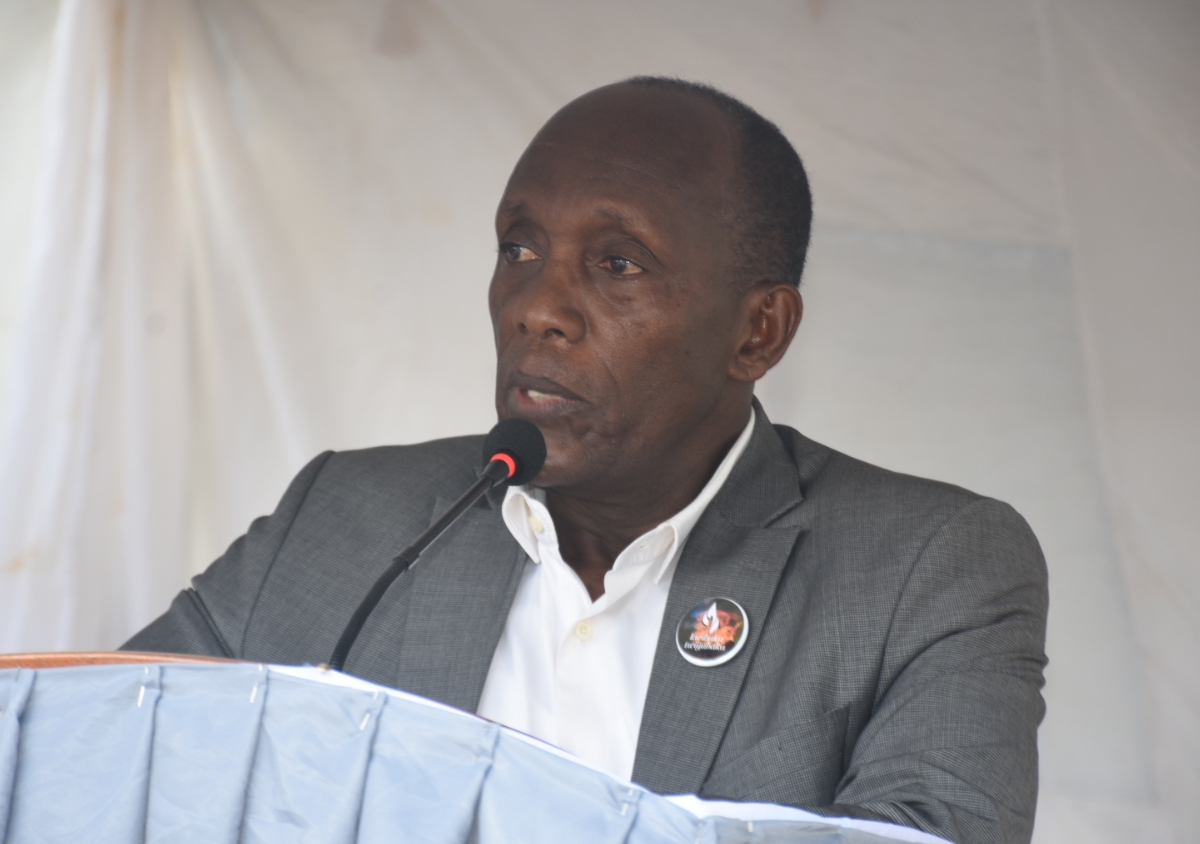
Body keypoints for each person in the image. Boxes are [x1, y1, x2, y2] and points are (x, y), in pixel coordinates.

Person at [125, 77, 1048, 844]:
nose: (537, 307)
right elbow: (110, 751)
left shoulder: (925, 570)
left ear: (758, 332)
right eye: (519, 248)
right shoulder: (347, 517)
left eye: (617, 264)